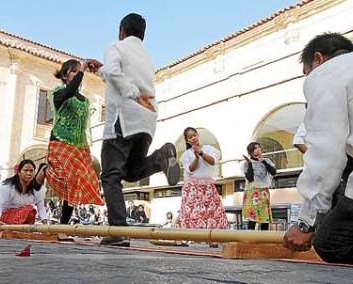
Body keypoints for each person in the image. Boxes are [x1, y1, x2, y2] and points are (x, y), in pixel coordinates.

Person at [283, 33, 353, 265]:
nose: (308, 78)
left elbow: (326, 149)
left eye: (306, 71)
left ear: (318, 58)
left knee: (331, 242)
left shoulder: (325, 74)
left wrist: (306, 223)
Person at [87, 13, 181, 246]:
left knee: (111, 175)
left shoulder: (115, 46)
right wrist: (103, 71)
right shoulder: (147, 57)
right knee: (130, 171)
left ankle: (119, 231)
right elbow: (113, 72)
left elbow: (116, 74)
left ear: (121, 30)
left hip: (124, 117)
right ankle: (160, 158)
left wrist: (129, 93)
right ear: (142, 34)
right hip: (147, 120)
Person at [35, 59, 104, 226]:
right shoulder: (58, 93)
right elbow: (71, 90)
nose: (76, 74)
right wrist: (84, 68)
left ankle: (63, 225)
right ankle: (45, 170)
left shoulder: (85, 101)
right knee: (65, 178)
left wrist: (84, 149)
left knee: (75, 184)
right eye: (73, 71)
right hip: (59, 141)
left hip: (78, 146)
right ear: (66, 75)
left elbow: (82, 126)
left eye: (78, 71)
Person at [174, 127, 229, 231]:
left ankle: (213, 237)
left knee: (211, 211)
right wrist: (196, 157)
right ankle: (190, 236)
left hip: (207, 185)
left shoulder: (209, 148)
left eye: (194, 135)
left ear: (198, 135)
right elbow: (190, 169)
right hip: (192, 187)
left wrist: (201, 152)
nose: (193, 138)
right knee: (192, 212)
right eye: (190, 137)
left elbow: (212, 161)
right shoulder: (186, 154)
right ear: (187, 141)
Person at [0, 159, 48, 237]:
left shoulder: (37, 190)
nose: (28, 173)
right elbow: (0, 206)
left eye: (31, 171)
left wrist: (46, 226)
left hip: (22, 220)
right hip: (4, 219)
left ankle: (22, 233)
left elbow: (41, 208)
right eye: (25, 170)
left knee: (31, 211)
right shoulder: (8, 187)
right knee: (28, 208)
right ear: (19, 172)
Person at [241, 142, 276, 231]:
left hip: (263, 191)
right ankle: (250, 240)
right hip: (252, 191)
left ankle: (264, 239)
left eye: (259, 147)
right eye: (255, 148)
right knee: (252, 217)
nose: (258, 150)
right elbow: (249, 178)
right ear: (250, 152)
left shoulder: (267, 160)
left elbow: (273, 172)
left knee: (265, 218)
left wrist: (263, 161)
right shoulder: (245, 163)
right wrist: (249, 163)